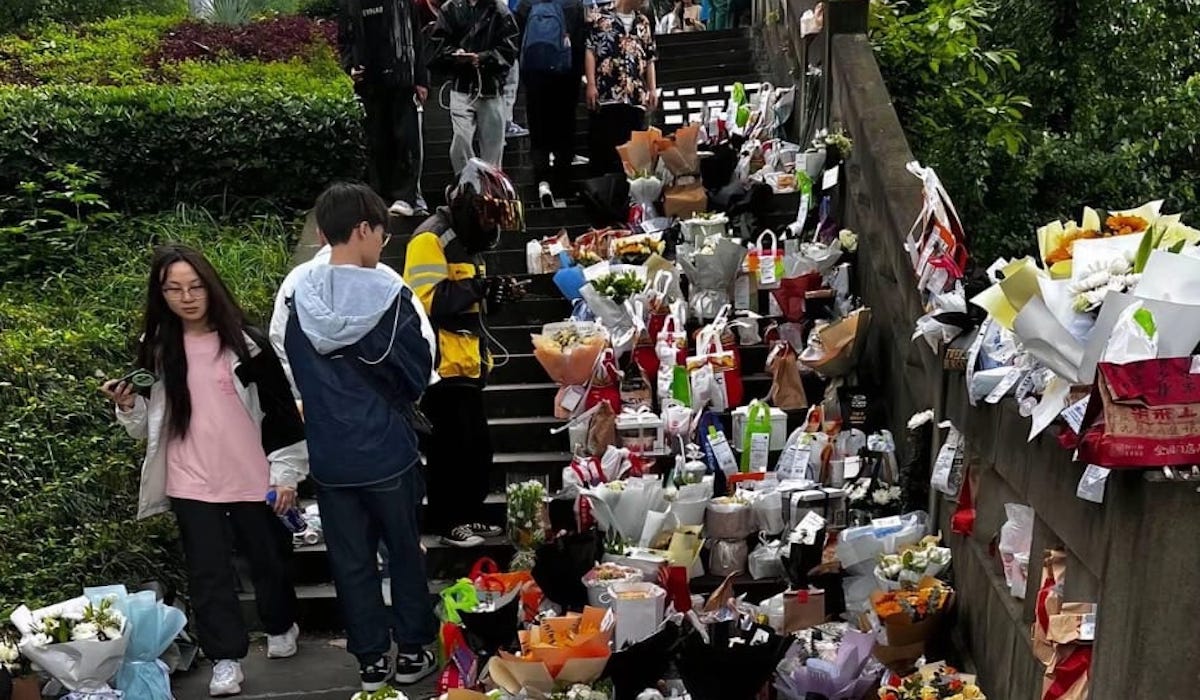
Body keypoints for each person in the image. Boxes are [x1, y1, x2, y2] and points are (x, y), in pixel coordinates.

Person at [102, 245, 307, 698]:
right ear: (161, 294)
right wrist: (129, 406)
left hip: (253, 476)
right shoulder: (156, 349)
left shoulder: (247, 343)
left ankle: (280, 623)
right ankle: (226, 659)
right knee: (208, 572)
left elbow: (280, 413)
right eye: (173, 289)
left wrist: (286, 473)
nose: (187, 297)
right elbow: (147, 427)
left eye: (195, 286)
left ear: (210, 287)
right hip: (190, 479)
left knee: (268, 558)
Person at [284, 183, 440, 692]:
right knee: (403, 551)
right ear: (363, 230)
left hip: (331, 456)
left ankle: (372, 661)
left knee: (351, 563)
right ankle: (414, 649)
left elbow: (290, 371)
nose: (384, 244)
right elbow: (418, 372)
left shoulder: (296, 296)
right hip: (387, 452)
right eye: (382, 232)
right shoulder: (391, 295)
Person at [404, 159, 526, 548]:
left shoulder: (468, 245)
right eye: (487, 216)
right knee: (449, 452)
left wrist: (495, 294)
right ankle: (447, 521)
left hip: (470, 362)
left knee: (477, 449)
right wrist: (478, 289)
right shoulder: (430, 239)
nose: (491, 226)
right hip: (442, 368)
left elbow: (471, 305)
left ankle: (470, 515)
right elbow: (423, 302)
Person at [337, 0, 431, 218]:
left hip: (402, 80)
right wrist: (350, 66)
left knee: (406, 138)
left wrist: (421, 79)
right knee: (377, 141)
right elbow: (345, 40)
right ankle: (381, 198)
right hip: (370, 83)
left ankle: (406, 197)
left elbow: (416, 37)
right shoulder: (349, 4)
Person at [428, 0, 522, 174]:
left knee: (493, 151)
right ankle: (467, 186)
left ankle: (490, 192)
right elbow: (438, 45)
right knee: (460, 142)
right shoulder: (450, 9)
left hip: (491, 88)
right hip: (462, 86)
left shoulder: (500, 11)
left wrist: (482, 58)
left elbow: (509, 50)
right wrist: (455, 55)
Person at [515, 0, 586, 205]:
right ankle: (563, 184)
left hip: (535, 76)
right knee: (565, 126)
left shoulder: (526, 4)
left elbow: (518, 39)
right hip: (566, 75)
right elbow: (580, 41)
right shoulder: (572, 4)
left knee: (538, 130)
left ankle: (542, 181)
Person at [584, 0, 657, 175]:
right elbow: (590, 50)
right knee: (606, 148)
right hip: (607, 93)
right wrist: (591, 84)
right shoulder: (599, 17)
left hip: (635, 95)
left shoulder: (643, 22)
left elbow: (650, 57)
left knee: (632, 152)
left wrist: (652, 88)